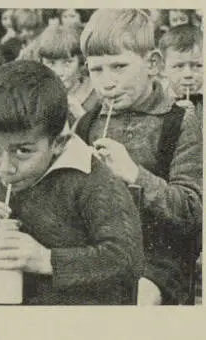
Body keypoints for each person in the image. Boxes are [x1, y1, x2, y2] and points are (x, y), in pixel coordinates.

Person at [0, 60, 145, 305]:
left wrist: (46, 260)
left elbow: (127, 259)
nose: (5, 167)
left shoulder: (91, 180)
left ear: (58, 143)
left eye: (22, 151)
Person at [75, 9, 202, 305]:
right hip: (98, 247)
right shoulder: (87, 123)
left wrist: (133, 174)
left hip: (158, 258)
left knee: (139, 297)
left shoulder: (179, 121)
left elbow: (193, 212)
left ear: (153, 63)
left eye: (119, 66)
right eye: (97, 70)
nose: (107, 82)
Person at [36, 25, 100, 121]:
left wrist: (82, 116)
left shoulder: (98, 95)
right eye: (51, 63)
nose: (59, 72)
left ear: (81, 62)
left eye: (67, 62)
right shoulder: (37, 95)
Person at [158, 24, 203, 127]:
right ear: (162, 68)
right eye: (178, 66)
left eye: (198, 65)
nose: (188, 74)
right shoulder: (157, 105)